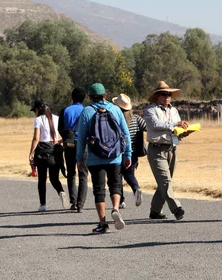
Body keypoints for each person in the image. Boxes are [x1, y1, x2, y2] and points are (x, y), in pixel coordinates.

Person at [76, 83, 132, 234]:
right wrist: (127, 154)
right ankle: (115, 208)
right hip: (115, 156)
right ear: (105, 95)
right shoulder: (115, 109)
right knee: (115, 184)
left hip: (95, 157)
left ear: (90, 97)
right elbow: (125, 134)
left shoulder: (87, 111)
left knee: (99, 190)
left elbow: (80, 138)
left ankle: (102, 223)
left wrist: (79, 159)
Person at [143, 81, 192, 220]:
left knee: (165, 181)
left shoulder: (174, 110)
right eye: (164, 94)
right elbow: (156, 124)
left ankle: (155, 211)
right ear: (157, 96)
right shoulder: (150, 110)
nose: (167, 97)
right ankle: (176, 208)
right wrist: (176, 124)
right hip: (156, 150)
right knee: (165, 181)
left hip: (171, 149)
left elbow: (175, 131)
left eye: (169, 94)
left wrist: (182, 134)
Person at [29, 100, 66, 212]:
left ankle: (43, 204)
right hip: (55, 150)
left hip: (43, 152)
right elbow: (65, 133)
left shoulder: (38, 120)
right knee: (54, 178)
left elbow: (36, 138)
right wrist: (60, 141)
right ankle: (61, 192)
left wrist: (31, 153)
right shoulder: (57, 118)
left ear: (37, 110)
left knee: (42, 179)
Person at [113, 93, 146, 208]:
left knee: (118, 176)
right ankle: (136, 188)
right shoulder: (136, 118)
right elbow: (147, 127)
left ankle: (121, 200)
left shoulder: (115, 119)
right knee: (130, 174)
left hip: (118, 152)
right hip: (133, 152)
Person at [58, 87, 88, 213]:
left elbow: (60, 128)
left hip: (69, 144)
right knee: (83, 174)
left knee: (71, 173)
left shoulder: (65, 110)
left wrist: (66, 137)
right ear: (84, 98)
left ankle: (73, 201)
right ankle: (80, 204)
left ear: (72, 97)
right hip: (82, 143)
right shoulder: (86, 110)